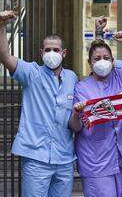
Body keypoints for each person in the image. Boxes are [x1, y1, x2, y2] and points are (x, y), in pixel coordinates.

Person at [0, 11, 77, 197]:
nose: (52, 54)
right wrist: (1, 25)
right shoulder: (31, 73)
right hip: (36, 157)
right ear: (41, 53)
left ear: (63, 53)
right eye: (48, 50)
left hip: (64, 158)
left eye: (56, 50)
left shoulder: (72, 78)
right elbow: (4, 56)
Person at [68, 32, 122, 197]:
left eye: (106, 57)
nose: (102, 62)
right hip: (95, 158)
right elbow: (75, 126)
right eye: (97, 59)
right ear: (89, 63)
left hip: (121, 156)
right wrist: (76, 114)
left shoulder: (121, 77)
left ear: (113, 61)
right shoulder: (81, 88)